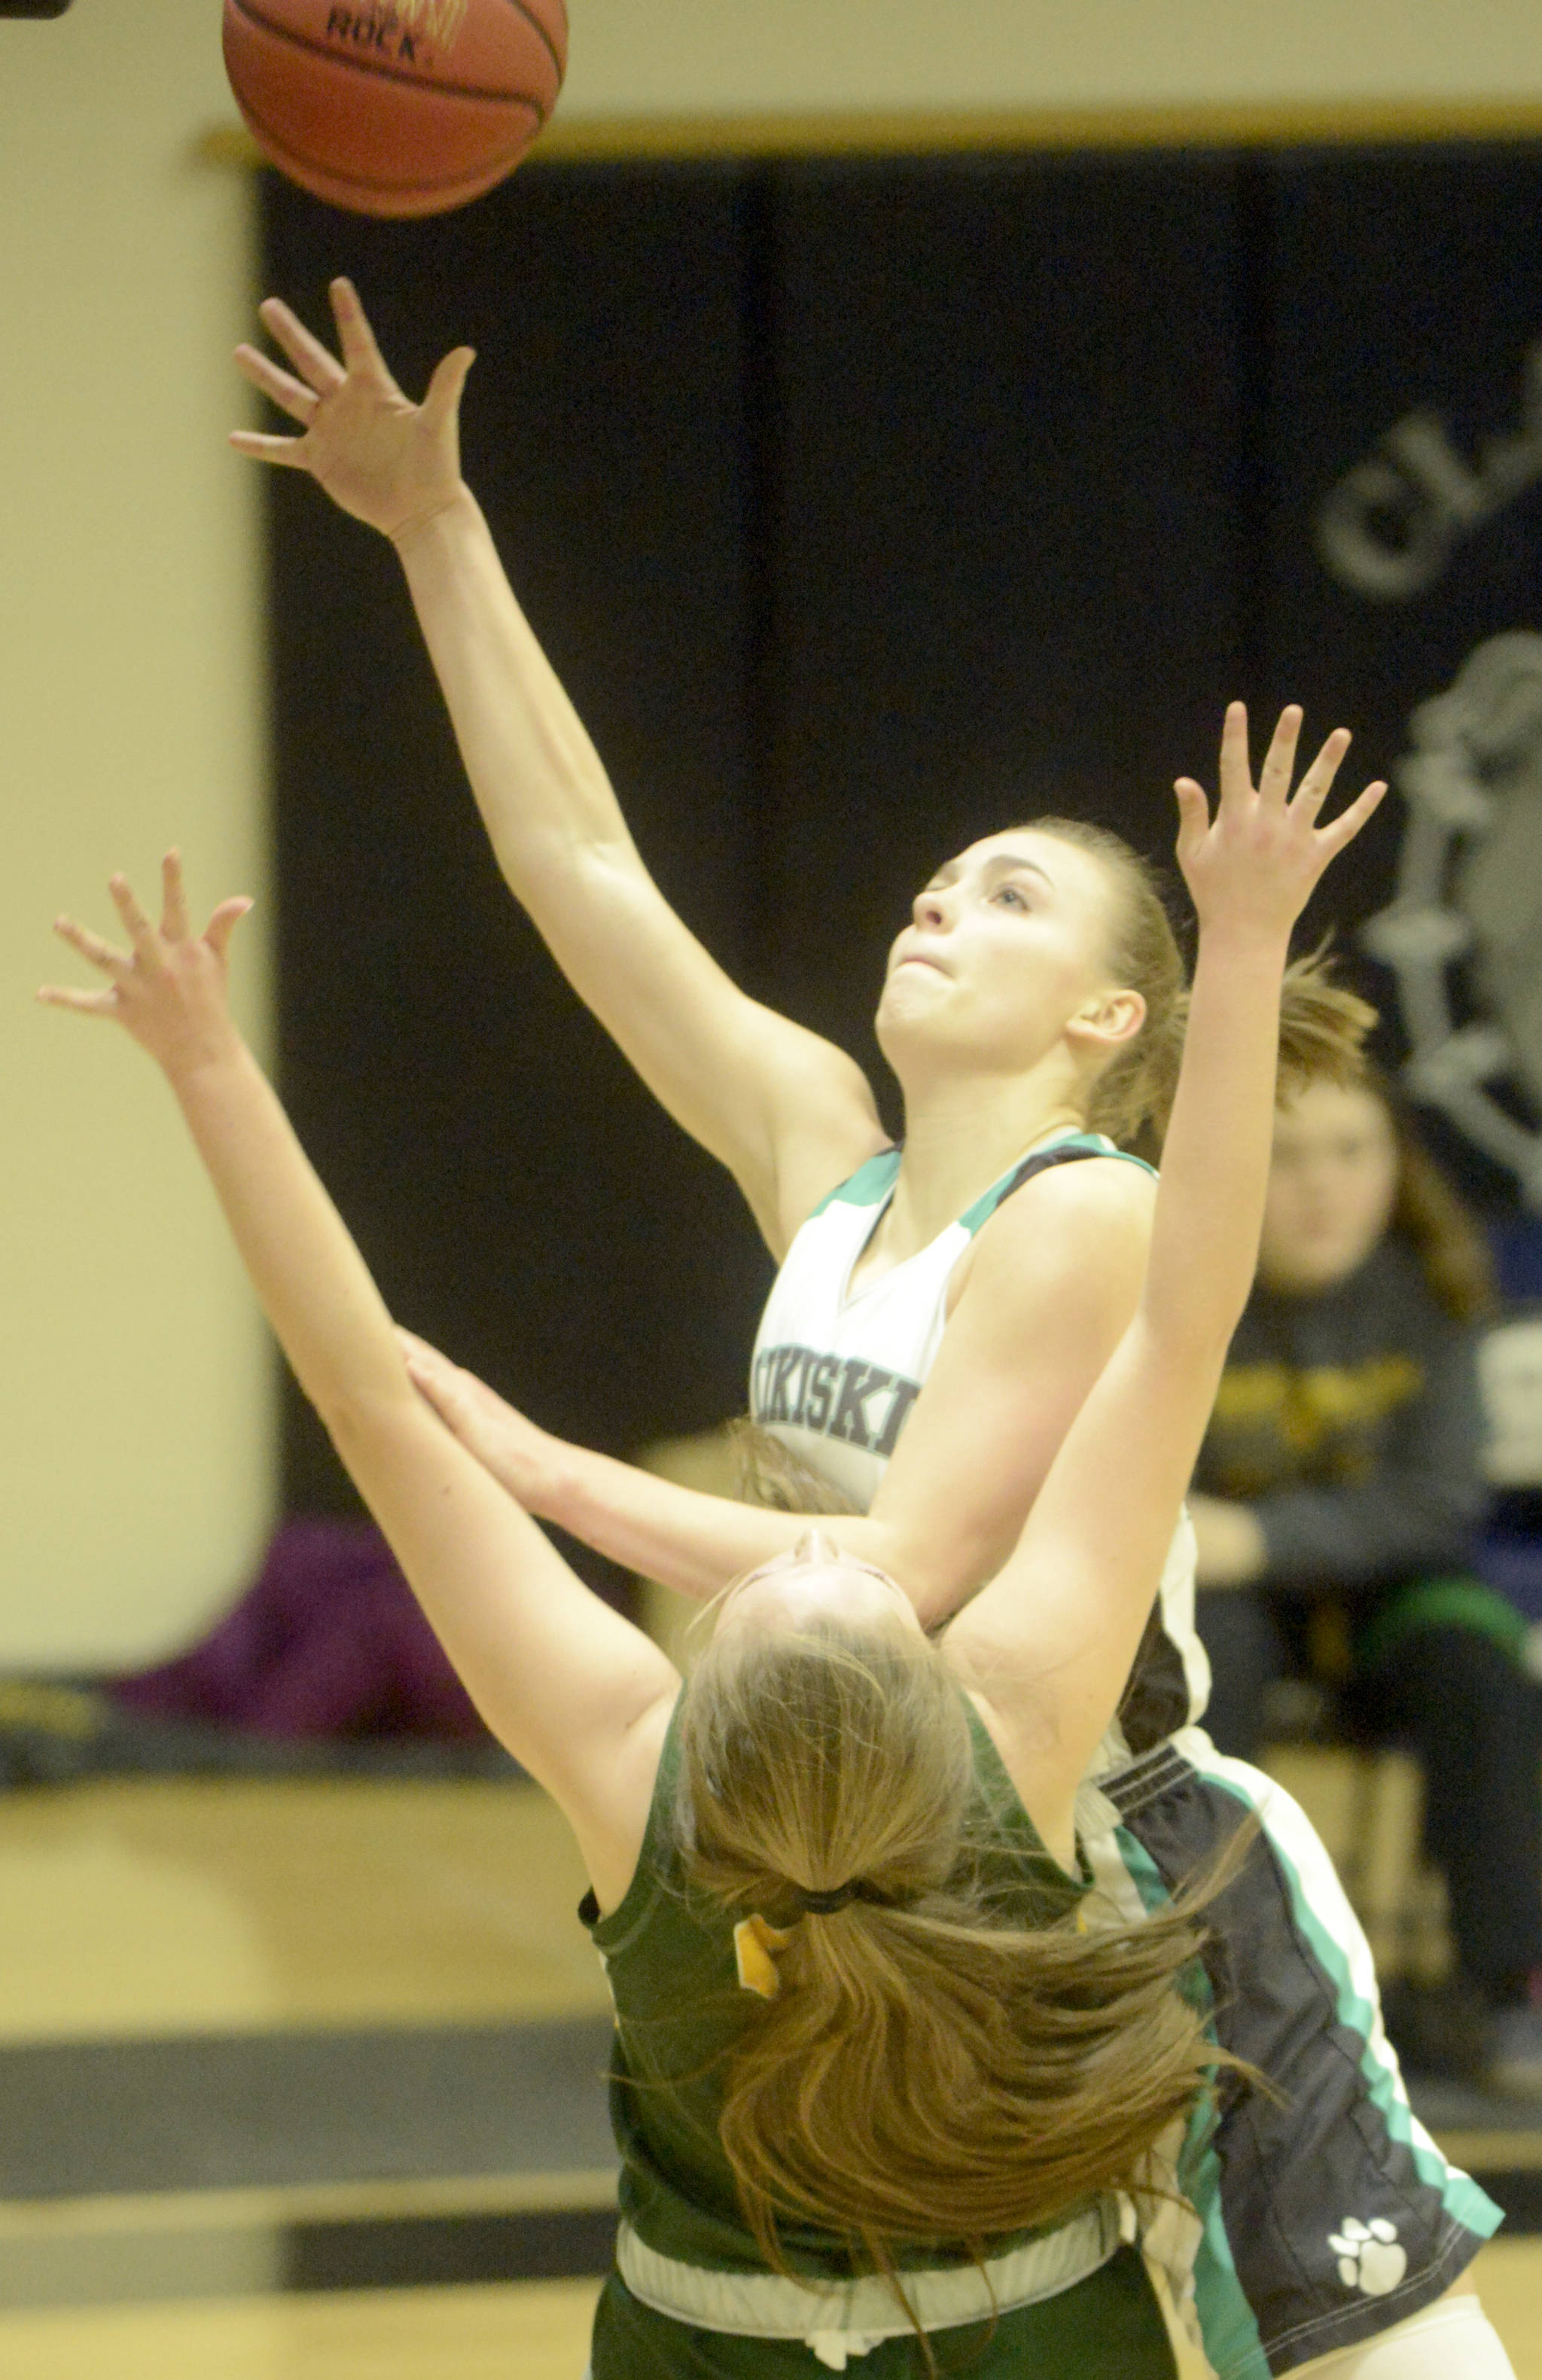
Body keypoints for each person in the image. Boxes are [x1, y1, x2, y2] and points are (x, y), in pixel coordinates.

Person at [228, 291, 1494, 2373]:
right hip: (902, 1870)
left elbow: (901, 1578)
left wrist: (553, 1481)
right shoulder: (824, 1153)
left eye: (1006, 896)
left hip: (1125, 1847)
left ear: (1109, 1018)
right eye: (930, 882)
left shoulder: (1082, 1217)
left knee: (1392, 2367)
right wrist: (434, 532)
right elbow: (578, 870)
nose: (937, 902)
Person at [1190, 1071, 1542, 2094]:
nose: (1321, 1186)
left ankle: (1513, 1988)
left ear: (1397, 1162)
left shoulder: (1435, 1286)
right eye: (1287, 1156)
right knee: (1199, 1657)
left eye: (1352, 1152)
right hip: (1230, 1600)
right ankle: (1206, 1977)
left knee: (1477, 1656)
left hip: (1390, 1586)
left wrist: (1258, 1532)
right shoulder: (1181, 1284)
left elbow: (1434, 1506)